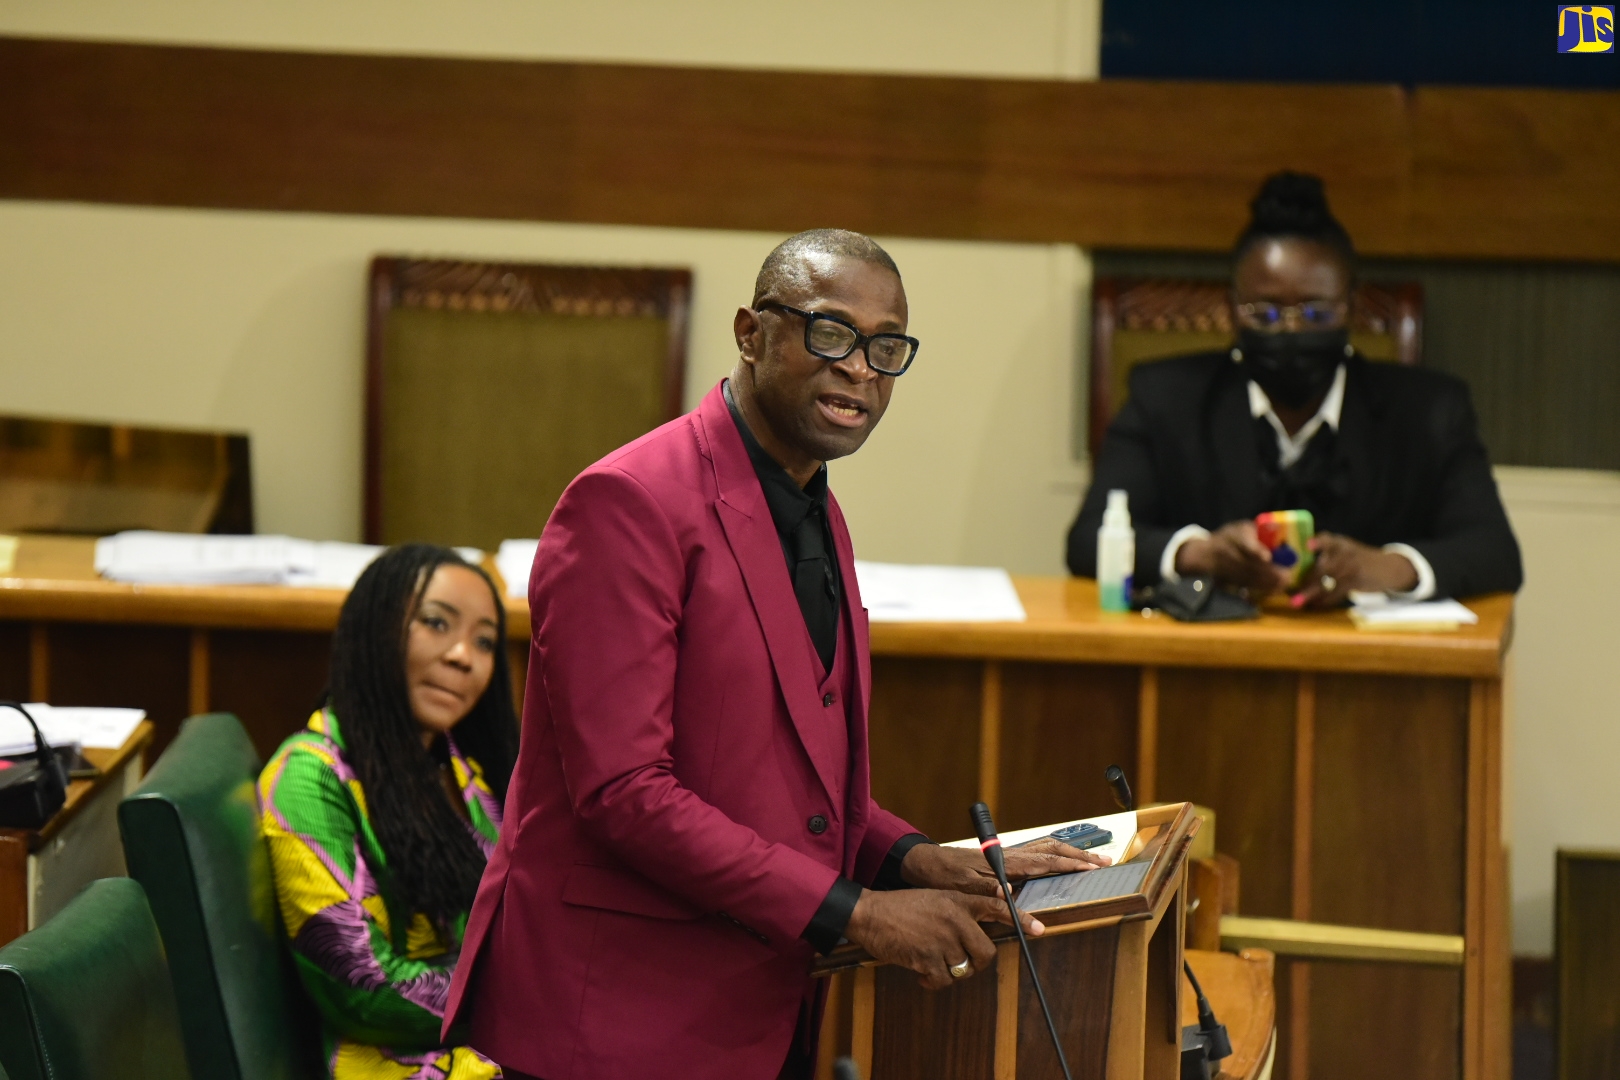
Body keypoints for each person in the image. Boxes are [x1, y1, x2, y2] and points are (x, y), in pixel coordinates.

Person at [445, 229, 1106, 1080]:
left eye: (886, 348)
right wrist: (857, 914)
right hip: (616, 1017)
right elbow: (625, 794)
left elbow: (780, 777)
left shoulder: (814, 507)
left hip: (757, 1000)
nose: (861, 368)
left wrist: (916, 859)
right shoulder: (628, 503)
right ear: (751, 333)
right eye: (830, 334)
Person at [1067, 171, 1522, 605]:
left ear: (1351, 307)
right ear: (1231, 310)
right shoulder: (1165, 399)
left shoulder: (1429, 412)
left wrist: (1384, 567)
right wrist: (1201, 553)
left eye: (1316, 313)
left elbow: (1495, 552)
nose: (1290, 330)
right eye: (1264, 313)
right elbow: (1088, 540)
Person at [259, 544, 520, 1080]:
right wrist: (528, 1002)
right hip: (389, 1061)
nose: (462, 655)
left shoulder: (460, 769)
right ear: (376, 628)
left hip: (488, 1042)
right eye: (436, 624)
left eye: (485, 641)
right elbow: (359, 983)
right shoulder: (308, 778)